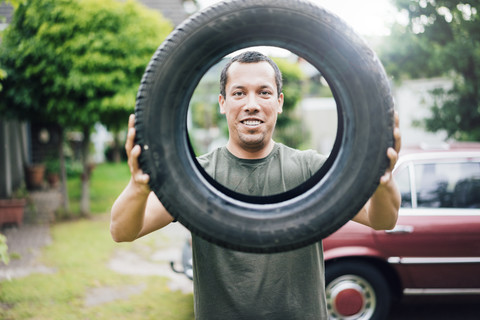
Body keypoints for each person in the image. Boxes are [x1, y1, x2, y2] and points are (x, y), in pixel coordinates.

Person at [110, 51, 401, 319]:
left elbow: (382, 219)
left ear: (279, 102)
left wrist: (382, 179)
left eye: (264, 93)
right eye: (239, 93)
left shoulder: (311, 169)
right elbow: (122, 231)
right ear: (223, 103)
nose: (251, 105)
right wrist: (138, 186)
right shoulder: (195, 175)